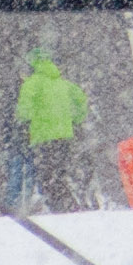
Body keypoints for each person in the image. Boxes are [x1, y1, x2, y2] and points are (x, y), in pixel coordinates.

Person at [17, 47, 88, 210]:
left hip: (43, 136)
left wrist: (24, 122)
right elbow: (81, 99)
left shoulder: (32, 83)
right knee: (58, 175)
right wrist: (75, 119)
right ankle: (67, 207)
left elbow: (24, 111)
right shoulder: (63, 83)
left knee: (46, 177)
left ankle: (63, 209)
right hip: (64, 136)